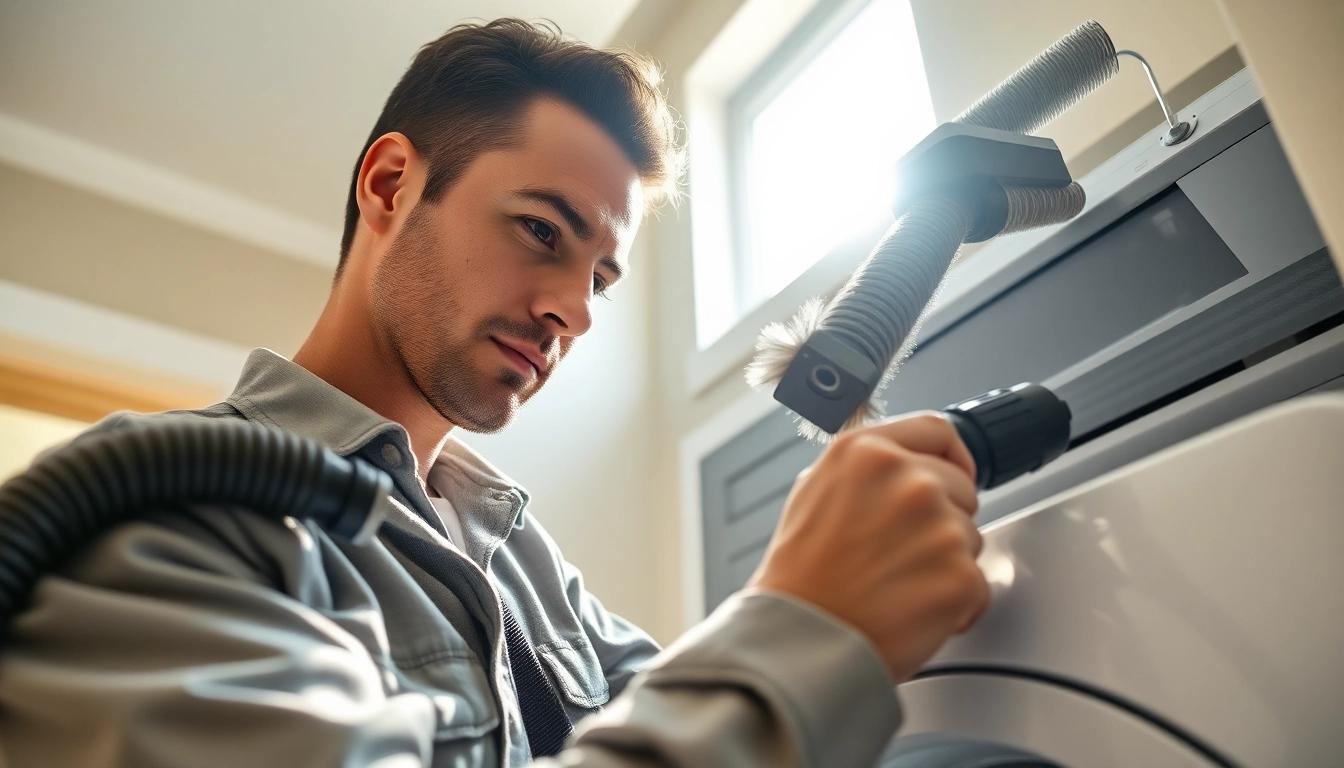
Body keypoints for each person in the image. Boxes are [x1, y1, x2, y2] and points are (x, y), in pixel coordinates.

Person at [0, 19, 988, 768]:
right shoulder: (161, 515)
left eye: (601, 279)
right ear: (390, 187)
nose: (575, 313)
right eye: (542, 232)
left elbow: (675, 708)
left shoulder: (518, 550)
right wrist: (807, 635)